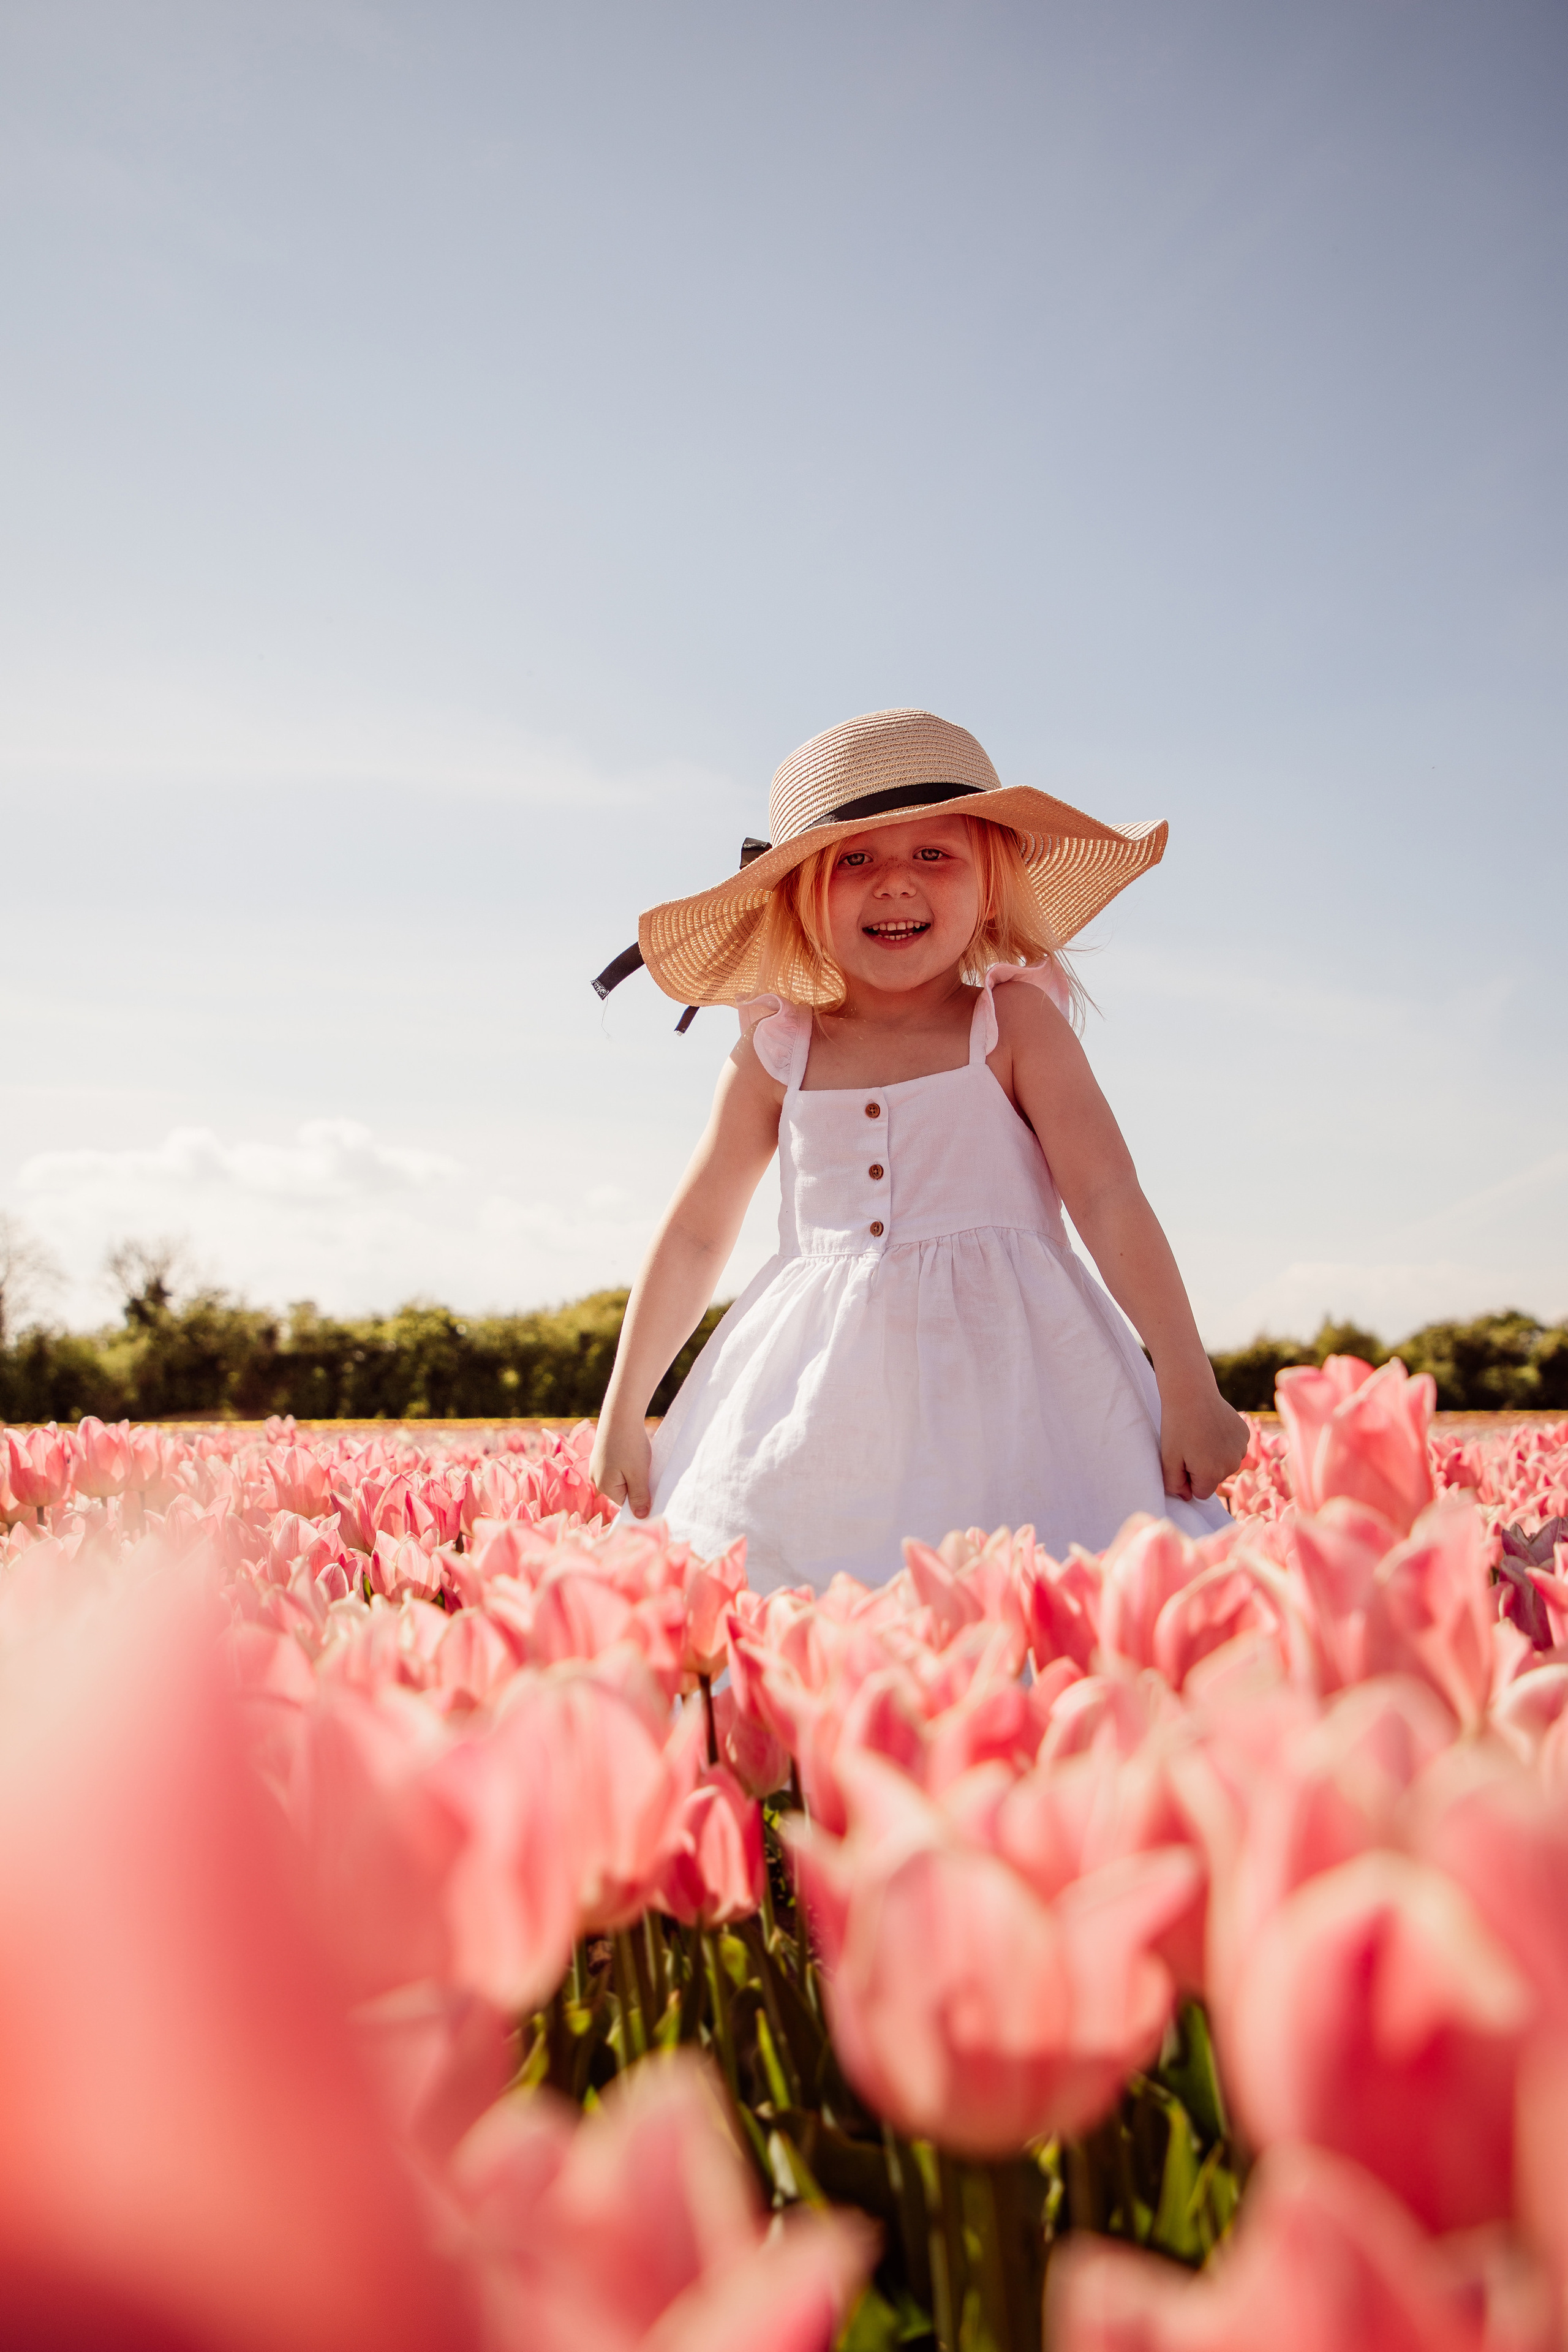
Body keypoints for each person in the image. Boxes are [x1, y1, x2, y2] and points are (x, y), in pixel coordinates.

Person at [590, 707, 1248, 1593]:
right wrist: (624, 1406)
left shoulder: (1015, 1026)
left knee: (1043, 1588)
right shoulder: (776, 1055)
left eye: (934, 854)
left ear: (992, 881)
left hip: (1020, 1391)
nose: (895, 883)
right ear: (800, 896)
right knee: (794, 1595)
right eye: (854, 860)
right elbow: (696, 1235)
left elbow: (1108, 1199)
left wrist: (1188, 1382)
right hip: (812, 1400)